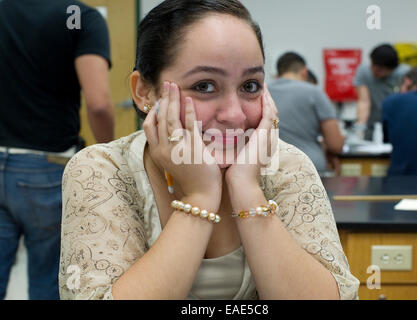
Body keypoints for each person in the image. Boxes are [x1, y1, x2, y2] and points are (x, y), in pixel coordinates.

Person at [58, 0, 359, 300]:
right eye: (204, 86)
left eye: (250, 86)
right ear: (143, 91)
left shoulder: (286, 165)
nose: (235, 115)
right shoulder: (103, 168)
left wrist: (246, 187)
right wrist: (200, 197)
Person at [0, 0, 114, 300]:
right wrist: (109, 157)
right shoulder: (78, 17)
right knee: (48, 281)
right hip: (46, 169)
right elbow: (99, 104)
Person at [268, 52, 345, 175]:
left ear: (278, 73)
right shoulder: (315, 93)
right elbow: (335, 145)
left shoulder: (262, 92)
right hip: (310, 166)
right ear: (304, 72)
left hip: (271, 168)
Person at [353, 44, 410, 140]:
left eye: (379, 69)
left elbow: (406, 103)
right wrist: (360, 127)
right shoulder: (364, 71)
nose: (373, 71)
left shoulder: (403, 73)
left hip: (397, 124)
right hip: (372, 124)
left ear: (391, 69)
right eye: (372, 65)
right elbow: (364, 102)